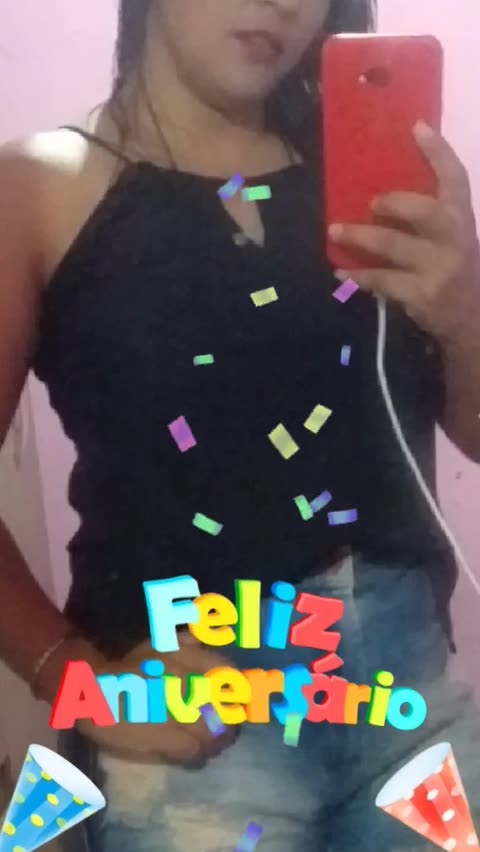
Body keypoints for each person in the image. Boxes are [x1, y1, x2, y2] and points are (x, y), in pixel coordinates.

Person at [1, 0, 480, 849]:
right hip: (196, 723)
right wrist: (72, 675)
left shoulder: (376, 175)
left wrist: (465, 315)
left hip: (411, 696)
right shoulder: (39, 187)